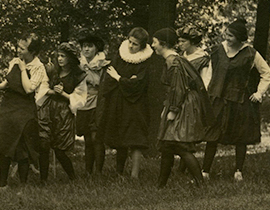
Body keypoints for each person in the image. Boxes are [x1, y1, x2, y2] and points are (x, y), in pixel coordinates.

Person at [202, 18, 270, 182]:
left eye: (231, 36)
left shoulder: (250, 53)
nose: (227, 38)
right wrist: (207, 90)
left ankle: (238, 170)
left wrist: (259, 93)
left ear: (240, 38)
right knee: (213, 135)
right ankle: (205, 171)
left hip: (240, 100)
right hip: (218, 99)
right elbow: (210, 72)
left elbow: (266, 74)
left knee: (241, 137)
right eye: (226, 34)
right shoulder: (217, 50)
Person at [151, 28, 211, 188]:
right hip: (179, 101)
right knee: (167, 146)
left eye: (155, 42)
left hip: (183, 103)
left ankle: (201, 184)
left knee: (180, 145)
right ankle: (160, 186)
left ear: (163, 44)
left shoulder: (174, 61)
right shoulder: (173, 59)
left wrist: (173, 110)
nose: (152, 45)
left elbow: (179, 88)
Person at [0, 33, 48, 188]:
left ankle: (23, 184)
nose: (18, 50)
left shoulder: (39, 67)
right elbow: (7, 83)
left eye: (22, 48)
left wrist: (23, 69)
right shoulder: (14, 61)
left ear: (33, 51)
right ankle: (2, 184)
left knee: (22, 147)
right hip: (8, 106)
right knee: (4, 143)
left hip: (24, 109)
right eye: (18, 47)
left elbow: (29, 89)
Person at [99, 27, 154, 179]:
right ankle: (119, 172)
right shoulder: (121, 54)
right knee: (120, 137)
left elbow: (139, 85)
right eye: (130, 42)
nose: (130, 46)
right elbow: (110, 75)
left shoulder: (145, 61)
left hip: (136, 105)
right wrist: (126, 80)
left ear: (142, 46)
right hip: (118, 102)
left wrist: (119, 78)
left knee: (135, 138)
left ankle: (134, 176)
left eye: (135, 44)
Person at [36, 42, 86, 183]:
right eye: (59, 56)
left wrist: (63, 93)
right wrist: (52, 92)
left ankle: (73, 177)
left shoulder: (78, 76)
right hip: (48, 109)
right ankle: (43, 180)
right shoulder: (52, 71)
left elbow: (81, 98)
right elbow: (43, 87)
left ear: (70, 58)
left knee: (59, 150)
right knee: (44, 144)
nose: (60, 59)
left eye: (63, 56)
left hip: (64, 112)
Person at [76, 32, 110, 175]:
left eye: (90, 46)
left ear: (97, 48)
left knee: (96, 137)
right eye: (84, 47)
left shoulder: (102, 64)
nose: (86, 49)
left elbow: (101, 83)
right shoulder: (79, 64)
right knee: (87, 138)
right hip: (84, 102)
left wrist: (88, 76)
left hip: (97, 103)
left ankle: (98, 171)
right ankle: (88, 171)